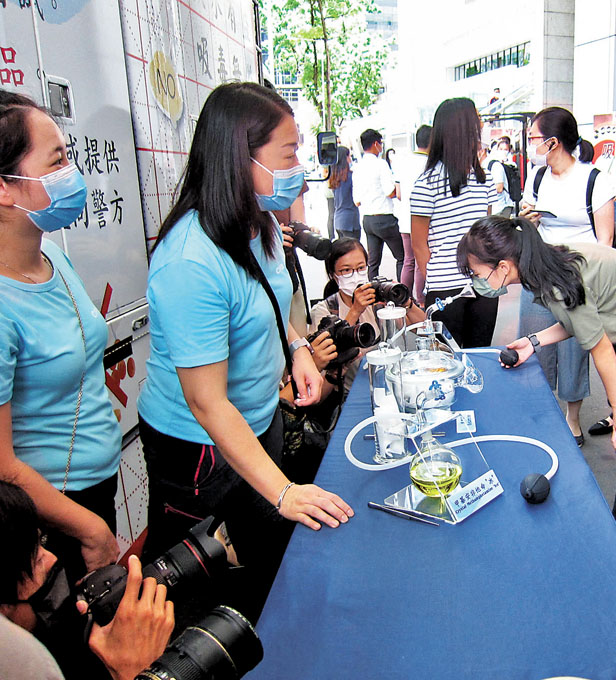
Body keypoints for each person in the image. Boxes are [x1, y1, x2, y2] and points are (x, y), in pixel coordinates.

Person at [136, 82, 353, 622]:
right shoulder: (190, 260)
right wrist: (282, 491)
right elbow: (207, 404)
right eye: (288, 153)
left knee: (262, 565)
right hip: (198, 447)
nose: (300, 165)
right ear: (243, 158)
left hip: (258, 420)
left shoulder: (260, 226)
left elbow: (277, 307)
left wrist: (299, 348)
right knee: (190, 588)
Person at [457, 215, 616, 549]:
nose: (478, 281)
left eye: (478, 273)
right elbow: (580, 318)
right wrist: (534, 342)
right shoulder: (547, 263)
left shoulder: (556, 278)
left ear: (503, 266)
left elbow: (599, 347)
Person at [0, 91, 121, 583]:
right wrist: (89, 530)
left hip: (96, 485)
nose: (73, 173)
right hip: (54, 516)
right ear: (6, 189)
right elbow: (3, 467)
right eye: (58, 161)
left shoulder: (54, 258)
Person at [0, 478, 174, 680]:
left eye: (41, 543)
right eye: (35, 560)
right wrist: (136, 670)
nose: (52, 559)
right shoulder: (30, 668)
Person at [518, 106, 616, 447]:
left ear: (553, 142)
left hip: (578, 278)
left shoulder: (595, 180)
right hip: (540, 272)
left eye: (533, 138)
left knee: (575, 349)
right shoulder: (537, 176)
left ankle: (572, 419)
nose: (530, 144)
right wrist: (527, 220)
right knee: (534, 343)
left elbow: (605, 241)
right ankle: (540, 414)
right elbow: (528, 217)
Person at [410, 98, 498, 348]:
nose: (479, 128)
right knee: (446, 362)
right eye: (476, 122)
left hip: (483, 284)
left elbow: (486, 231)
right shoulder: (426, 184)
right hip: (444, 288)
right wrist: (434, 280)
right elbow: (419, 245)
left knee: (478, 356)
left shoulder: (484, 179)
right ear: (464, 130)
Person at [310, 238, 425, 394]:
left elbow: (423, 330)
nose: (355, 275)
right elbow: (323, 363)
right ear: (333, 275)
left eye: (361, 268)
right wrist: (356, 310)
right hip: (351, 391)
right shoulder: (325, 311)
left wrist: (405, 302)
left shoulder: (376, 301)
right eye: (346, 270)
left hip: (389, 382)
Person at [353, 128, 405, 280]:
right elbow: (390, 191)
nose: (381, 147)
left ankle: (373, 296)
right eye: (381, 144)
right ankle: (402, 293)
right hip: (384, 218)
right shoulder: (381, 164)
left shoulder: (357, 167)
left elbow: (357, 200)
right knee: (402, 257)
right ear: (376, 144)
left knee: (373, 263)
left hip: (368, 219)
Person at [393, 124, 431, 305]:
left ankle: (401, 298)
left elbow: (398, 194)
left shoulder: (402, 161)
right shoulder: (431, 164)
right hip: (424, 221)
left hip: (404, 219)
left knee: (408, 260)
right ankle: (422, 301)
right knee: (420, 260)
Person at [330, 145, 361, 241]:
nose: (350, 159)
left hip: (338, 219)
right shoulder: (351, 177)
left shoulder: (334, 177)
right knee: (354, 251)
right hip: (350, 220)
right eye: (349, 156)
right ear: (345, 158)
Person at [488, 135, 516, 216]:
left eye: (505, 149)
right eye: (501, 149)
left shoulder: (498, 166)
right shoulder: (499, 164)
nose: (503, 151)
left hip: (502, 206)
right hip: (503, 205)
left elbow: (499, 188)